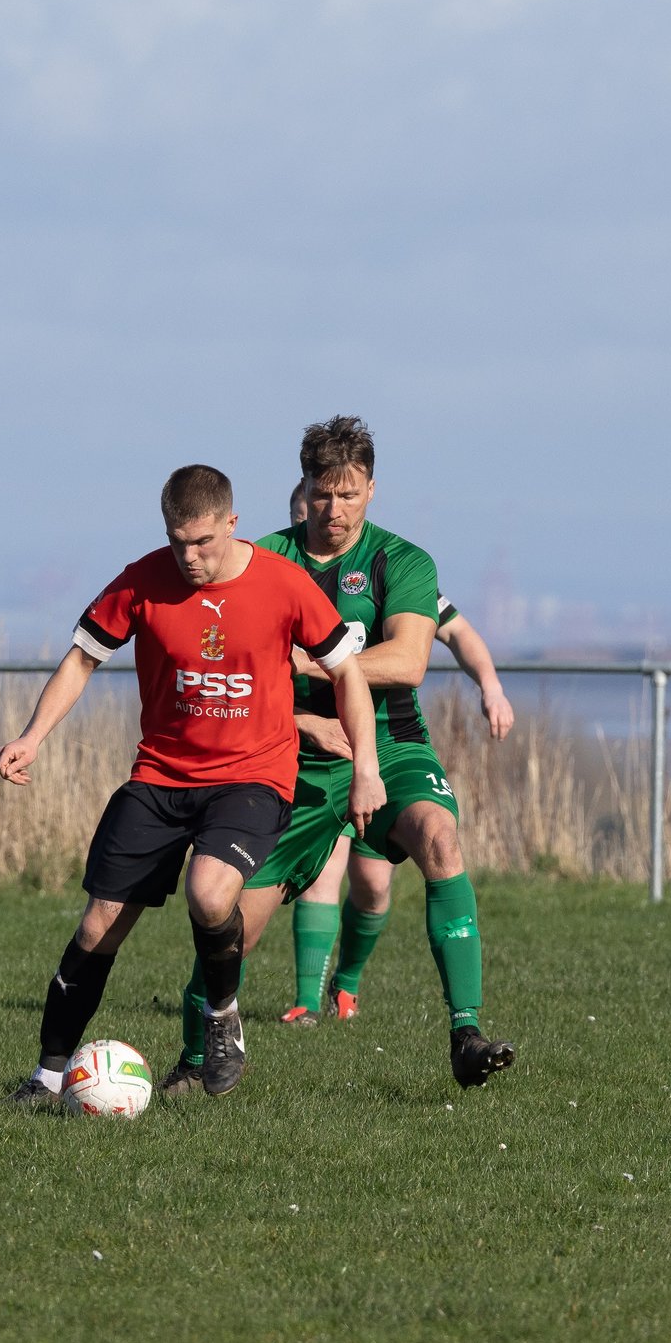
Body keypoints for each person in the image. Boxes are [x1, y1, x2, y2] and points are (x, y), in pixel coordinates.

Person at [0, 464, 376, 1103]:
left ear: (232, 523)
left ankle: (222, 1017)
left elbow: (349, 675)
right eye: (178, 542)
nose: (190, 557)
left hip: (252, 779)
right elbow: (83, 658)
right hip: (160, 776)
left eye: (203, 542)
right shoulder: (143, 580)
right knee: (98, 926)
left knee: (209, 892)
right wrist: (32, 736)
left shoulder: (285, 584)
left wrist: (365, 767)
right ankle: (48, 1076)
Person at [178, 416, 515, 1090]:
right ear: (304, 488)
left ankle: (466, 1032)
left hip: (388, 746)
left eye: (350, 494)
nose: (335, 510)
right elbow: (229, 666)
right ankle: (194, 1060)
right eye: (324, 494)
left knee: (440, 839)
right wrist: (302, 711)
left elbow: (411, 659)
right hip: (289, 757)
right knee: (229, 918)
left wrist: (314, 661)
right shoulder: (261, 559)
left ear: (371, 490)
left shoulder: (403, 561)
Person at [268, 481, 514, 1026]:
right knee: (323, 869)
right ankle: (307, 1000)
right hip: (313, 751)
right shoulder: (279, 570)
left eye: (340, 502)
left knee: (375, 885)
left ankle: (347, 983)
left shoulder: (394, 573)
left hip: (384, 747)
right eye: (310, 509)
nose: (326, 516)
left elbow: (456, 635)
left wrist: (490, 685)